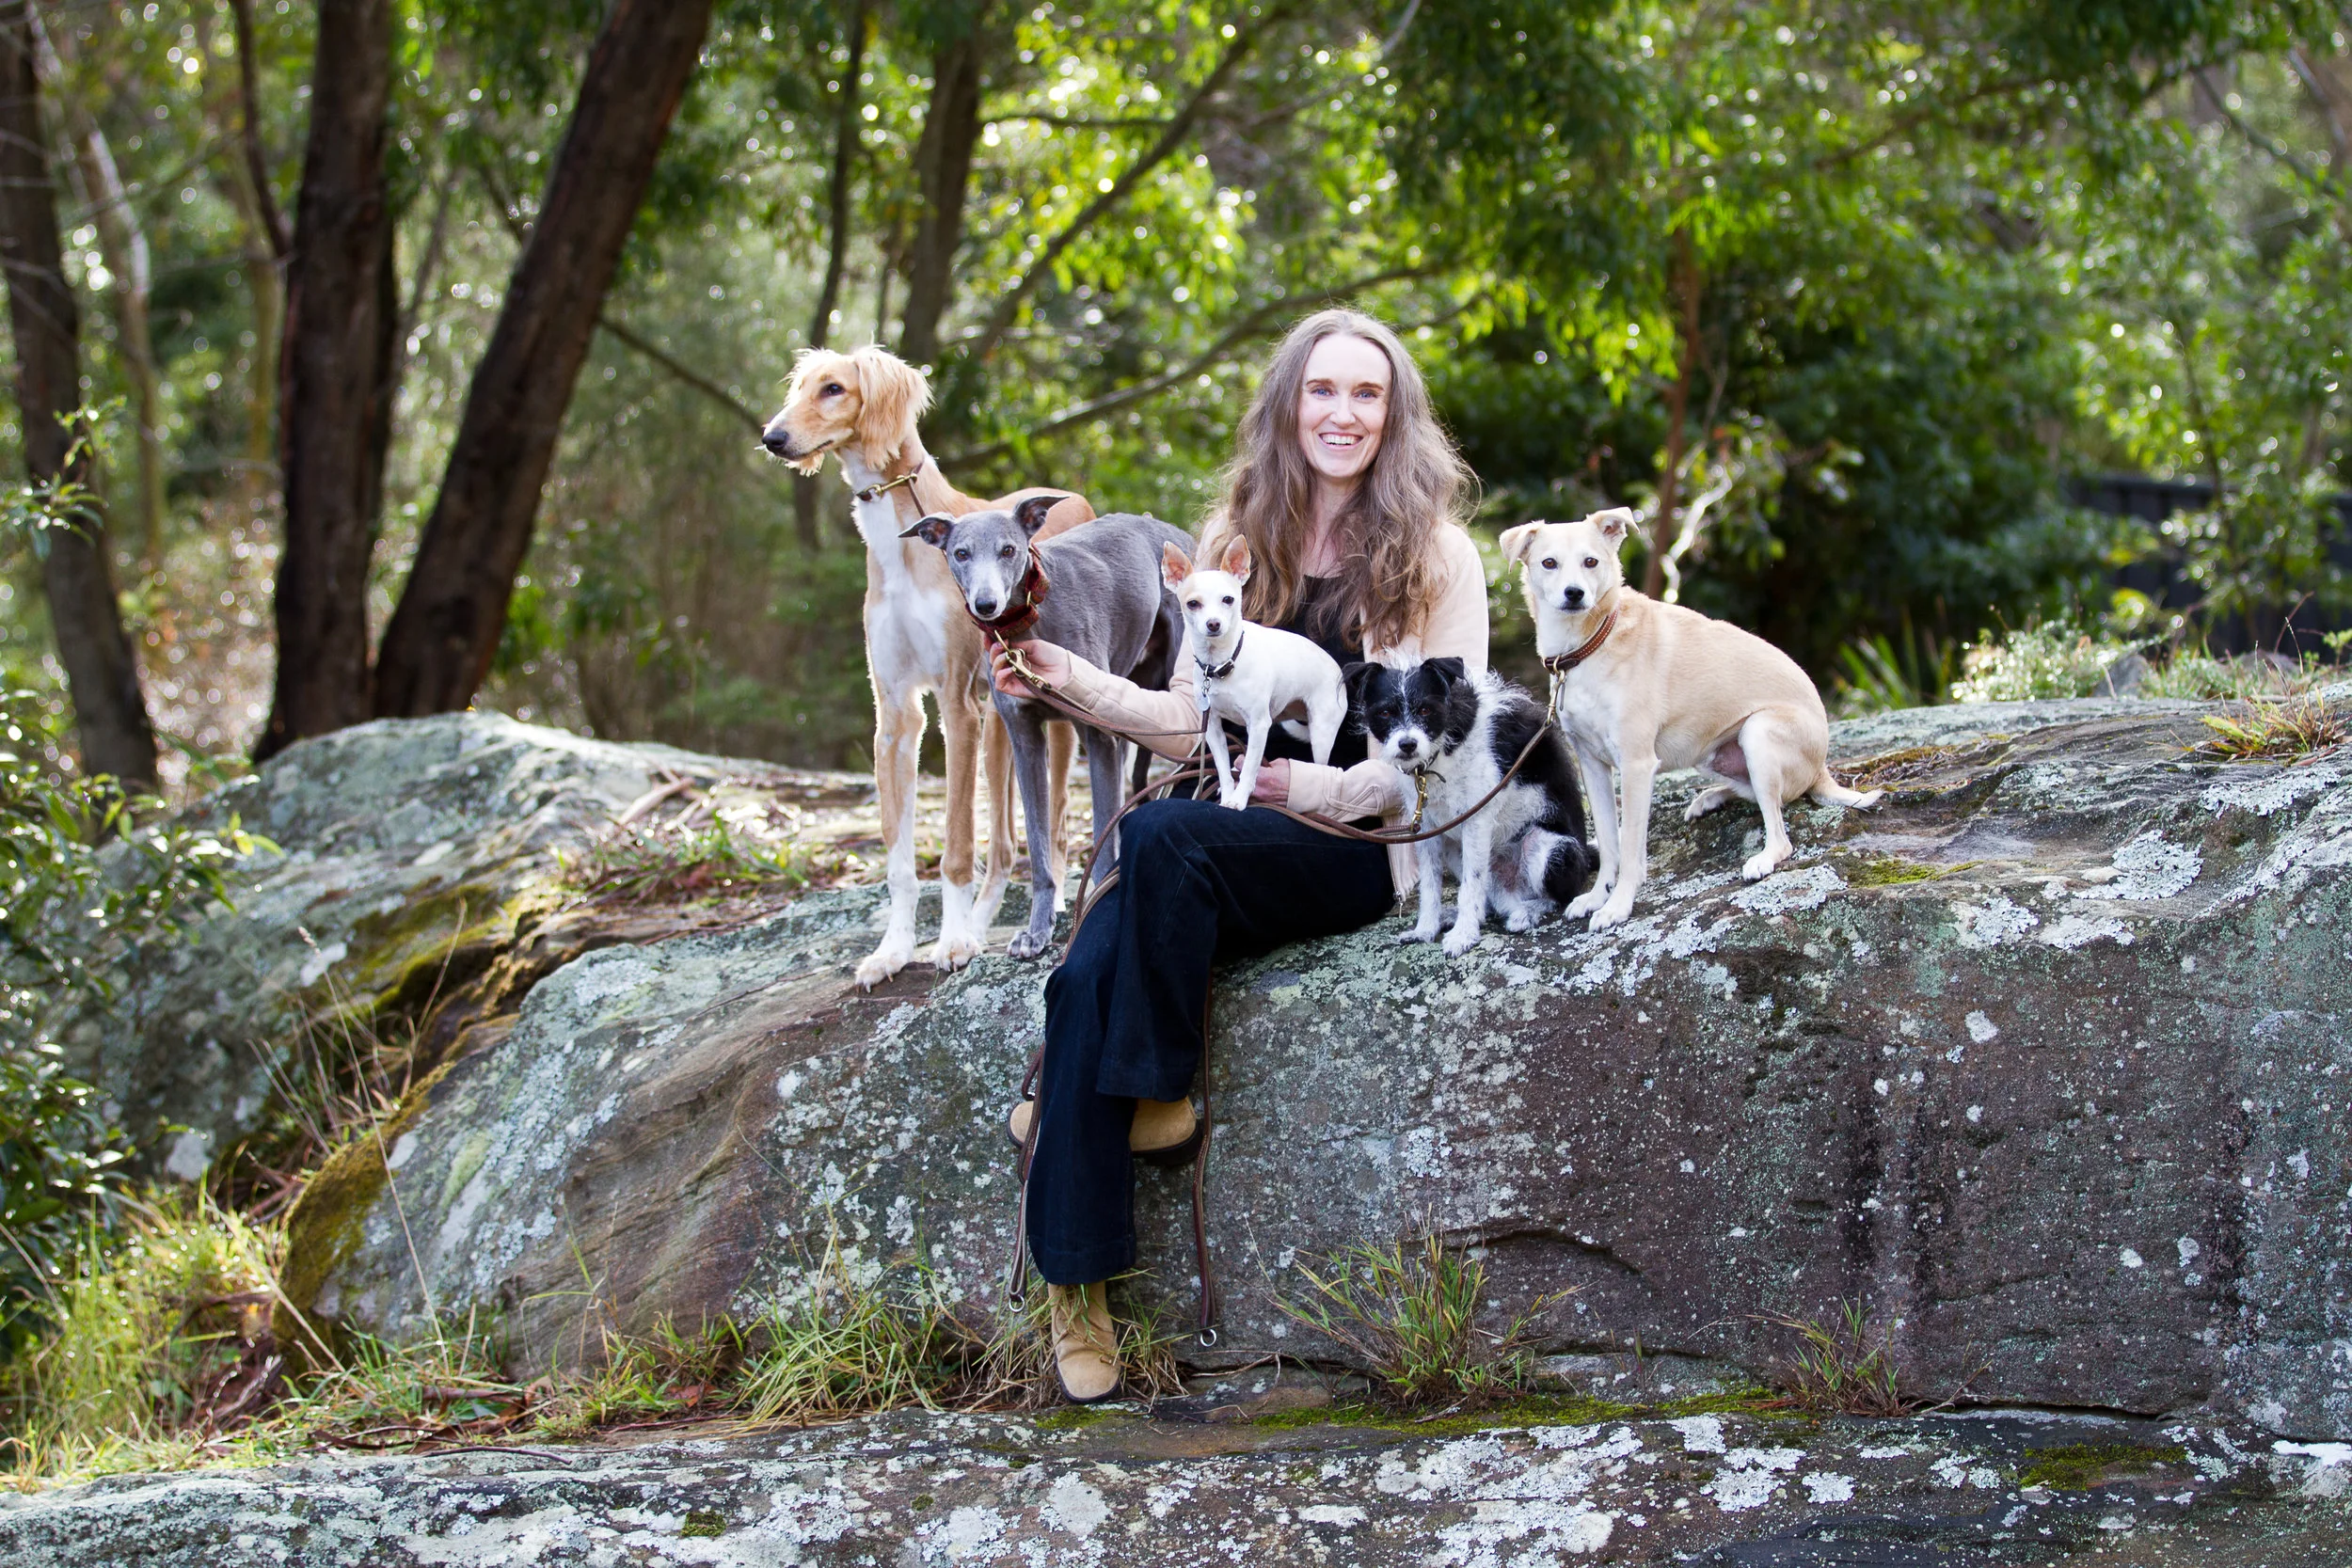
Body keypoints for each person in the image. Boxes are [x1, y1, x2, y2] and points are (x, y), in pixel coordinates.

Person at [990, 308, 1487, 1402]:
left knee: (1159, 838)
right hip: (1216, 836)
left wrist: (1302, 784)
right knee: (1090, 959)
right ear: (1288, 405)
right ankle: (1088, 1255)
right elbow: (1182, 722)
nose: (1342, 413)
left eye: (1367, 394)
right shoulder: (1237, 535)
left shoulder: (1436, 554)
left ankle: (1115, 1097)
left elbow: (1447, 738)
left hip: (1358, 842)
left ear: (1394, 415)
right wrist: (1061, 674)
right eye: (1323, 390)